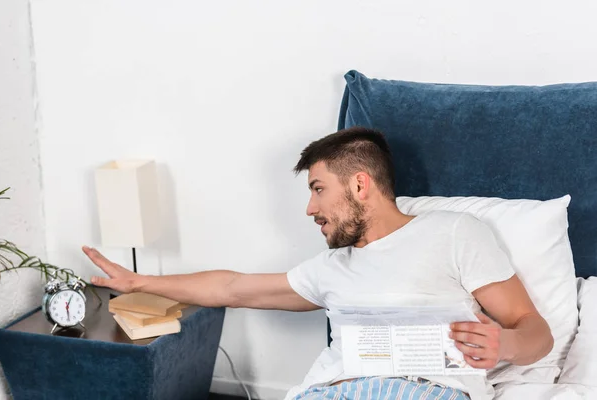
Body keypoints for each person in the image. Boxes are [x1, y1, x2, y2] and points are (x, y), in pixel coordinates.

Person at [82, 127, 553, 400]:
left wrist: (505, 346)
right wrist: (138, 280)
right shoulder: (331, 269)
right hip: (332, 392)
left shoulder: (453, 232)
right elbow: (231, 288)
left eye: (317, 189)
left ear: (360, 185)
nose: (310, 210)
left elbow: (535, 330)